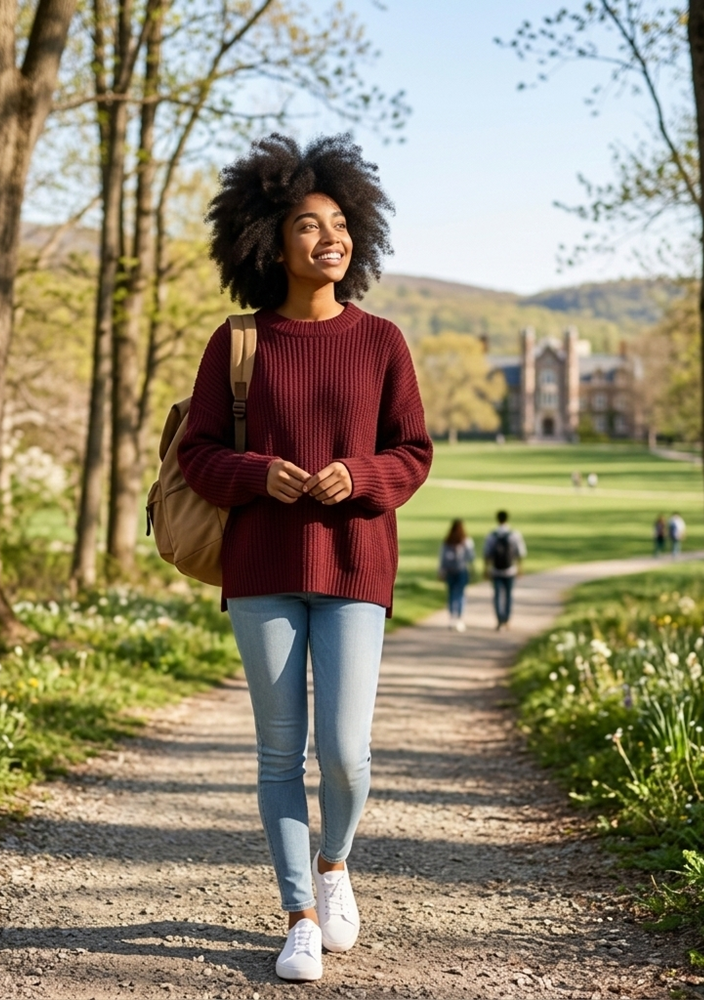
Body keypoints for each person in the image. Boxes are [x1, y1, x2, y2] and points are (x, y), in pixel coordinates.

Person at [177, 134, 432, 983]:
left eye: (339, 224)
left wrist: (356, 475)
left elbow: (414, 453)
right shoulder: (238, 341)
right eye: (307, 226)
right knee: (278, 755)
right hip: (262, 571)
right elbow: (198, 452)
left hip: (356, 565)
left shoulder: (383, 340)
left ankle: (334, 866)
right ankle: (296, 917)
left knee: (346, 753)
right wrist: (261, 474)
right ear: (270, 243)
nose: (329, 238)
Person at [483, 510, 527, 630]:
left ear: (497, 519)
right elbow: (520, 553)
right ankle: (506, 620)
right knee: (508, 596)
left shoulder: (492, 535)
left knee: (497, 596)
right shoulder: (514, 535)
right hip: (510, 570)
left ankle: (499, 620)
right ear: (507, 519)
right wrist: (520, 568)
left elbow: (487, 554)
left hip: (496, 570)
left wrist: (486, 569)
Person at [439, 519, 475, 631]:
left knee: (451, 595)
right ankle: (459, 619)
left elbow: (442, 557)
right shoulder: (466, 541)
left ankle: (451, 618)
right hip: (461, 570)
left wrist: (441, 571)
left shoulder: (447, 541)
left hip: (450, 571)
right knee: (460, 595)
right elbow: (471, 557)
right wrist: (472, 570)